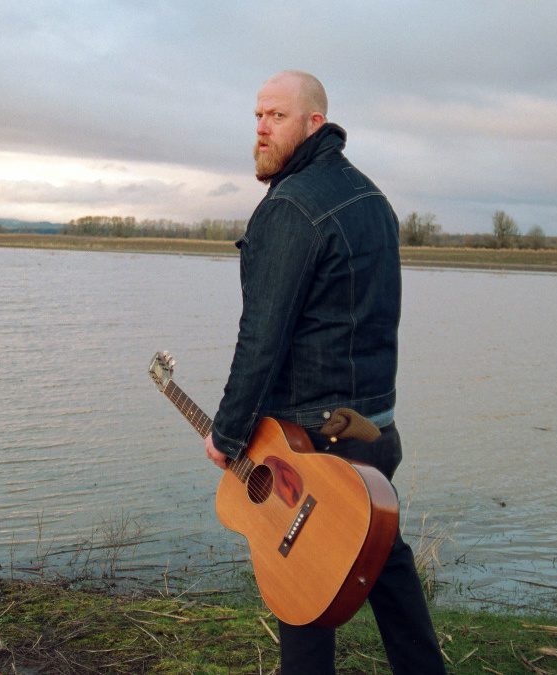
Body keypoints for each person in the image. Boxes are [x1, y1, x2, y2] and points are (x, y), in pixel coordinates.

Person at [204, 70, 446, 674]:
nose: (261, 128)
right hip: (375, 428)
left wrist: (227, 432)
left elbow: (262, 336)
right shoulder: (372, 198)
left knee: (302, 579)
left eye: (277, 116)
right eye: (257, 115)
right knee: (381, 553)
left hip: (313, 438)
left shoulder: (289, 205)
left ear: (315, 122)